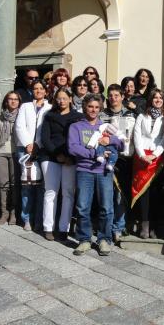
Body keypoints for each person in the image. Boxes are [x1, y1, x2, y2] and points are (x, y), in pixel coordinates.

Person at [69, 94, 123, 256]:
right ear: (85, 107)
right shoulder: (76, 127)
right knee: (82, 207)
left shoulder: (106, 126)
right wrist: (93, 153)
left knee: (107, 207)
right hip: (84, 171)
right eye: (90, 106)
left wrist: (110, 142)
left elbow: (121, 143)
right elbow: (73, 148)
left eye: (96, 107)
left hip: (104, 171)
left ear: (100, 109)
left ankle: (104, 239)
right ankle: (84, 240)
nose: (93, 110)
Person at [40, 88, 83, 240]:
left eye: (64, 98)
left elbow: (79, 138)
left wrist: (70, 157)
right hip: (51, 157)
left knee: (68, 193)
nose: (61, 101)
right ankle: (48, 227)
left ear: (70, 99)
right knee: (51, 192)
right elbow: (45, 139)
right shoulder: (49, 116)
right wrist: (57, 155)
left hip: (71, 159)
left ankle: (64, 228)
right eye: (59, 98)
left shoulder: (78, 117)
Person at [99, 84, 136, 242]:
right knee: (107, 195)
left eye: (116, 95)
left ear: (122, 97)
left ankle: (118, 227)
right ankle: (107, 227)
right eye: (111, 95)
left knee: (120, 195)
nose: (113, 98)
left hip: (125, 158)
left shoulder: (131, 115)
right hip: (105, 158)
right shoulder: (102, 115)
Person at [15, 80, 52, 231]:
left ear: (45, 91)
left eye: (41, 88)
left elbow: (48, 130)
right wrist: (28, 144)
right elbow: (19, 126)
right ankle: (26, 219)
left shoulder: (50, 107)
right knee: (27, 186)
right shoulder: (25, 106)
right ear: (32, 91)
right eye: (35, 88)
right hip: (25, 149)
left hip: (42, 149)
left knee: (42, 187)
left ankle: (39, 220)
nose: (38, 91)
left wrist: (38, 145)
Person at [131, 89, 164, 239]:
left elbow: (163, 138)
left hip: (157, 158)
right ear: (150, 99)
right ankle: (144, 225)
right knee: (143, 193)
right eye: (155, 97)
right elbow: (136, 136)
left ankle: (154, 226)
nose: (157, 100)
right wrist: (142, 155)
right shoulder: (141, 116)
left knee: (156, 194)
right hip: (141, 158)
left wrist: (155, 154)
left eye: (160, 98)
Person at [0, 91, 22, 226]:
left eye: (16, 99)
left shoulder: (21, 115)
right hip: (0, 152)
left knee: (14, 184)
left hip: (16, 153)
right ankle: (4, 213)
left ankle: (14, 213)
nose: (13, 101)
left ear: (19, 102)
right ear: (6, 101)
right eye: (10, 99)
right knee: (3, 184)